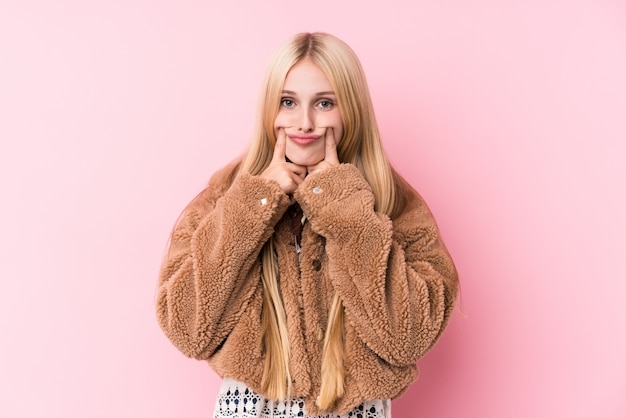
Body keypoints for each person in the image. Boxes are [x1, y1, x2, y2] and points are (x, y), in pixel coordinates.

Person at [156, 32, 458, 418]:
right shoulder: (223, 199)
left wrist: (344, 208)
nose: (305, 123)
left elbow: (407, 339)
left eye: (325, 103)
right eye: (288, 102)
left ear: (351, 110)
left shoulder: (396, 206)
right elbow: (187, 330)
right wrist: (254, 204)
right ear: (270, 109)